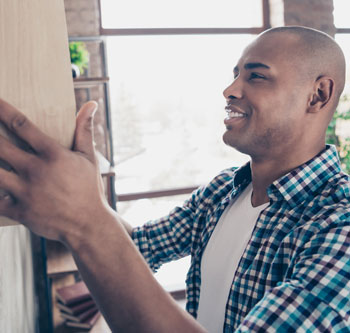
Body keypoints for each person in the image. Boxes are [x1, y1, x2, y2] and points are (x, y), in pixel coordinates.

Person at [0, 25, 349, 332]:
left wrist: (85, 221)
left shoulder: (340, 224)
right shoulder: (222, 192)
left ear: (317, 95)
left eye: (255, 76)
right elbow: (140, 246)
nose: (230, 89)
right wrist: (78, 201)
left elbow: (102, 235)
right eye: (235, 75)